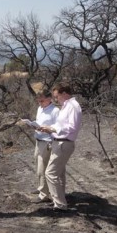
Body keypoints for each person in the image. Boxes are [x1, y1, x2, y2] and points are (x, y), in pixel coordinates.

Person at [37, 83, 82, 211]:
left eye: (57, 96)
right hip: (59, 141)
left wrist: (52, 128)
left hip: (64, 143)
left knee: (50, 173)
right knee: (59, 173)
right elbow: (62, 124)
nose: (56, 99)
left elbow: (72, 127)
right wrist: (50, 129)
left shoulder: (73, 106)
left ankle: (60, 205)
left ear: (64, 94)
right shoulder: (66, 106)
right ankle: (60, 199)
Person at [31, 89, 59, 203]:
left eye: (42, 101)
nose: (40, 103)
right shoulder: (40, 108)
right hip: (38, 140)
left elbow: (58, 128)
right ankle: (41, 188)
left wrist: (47, 130)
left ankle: (44, 195)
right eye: (38, 101)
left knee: (42, 169)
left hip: (47, 142)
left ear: (49, 99)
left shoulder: (55, 111)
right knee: (37, 166)